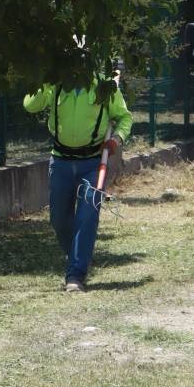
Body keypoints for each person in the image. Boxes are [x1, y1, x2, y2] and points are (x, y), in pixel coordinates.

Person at [24, 75, 132, 292]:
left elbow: (124, 118)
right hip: (61, 162)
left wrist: (116, 139)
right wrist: (45, 77)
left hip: (93, 163)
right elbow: (30, 105)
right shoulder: (55, 82)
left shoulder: (103, 85)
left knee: (87, 218)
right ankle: (78, 256)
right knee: (59, 219)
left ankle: (75, 275)